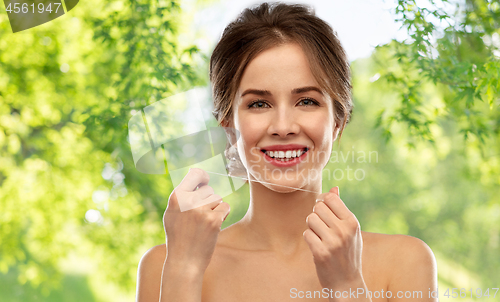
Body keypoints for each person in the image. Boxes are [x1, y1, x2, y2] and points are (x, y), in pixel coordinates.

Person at [136, 2, 438, 301]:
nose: (283, 126)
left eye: (306, 101)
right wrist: (184, 269)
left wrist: (347, 286)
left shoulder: (406, 262)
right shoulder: (163, 266)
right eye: (258, 103)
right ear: (228, 127)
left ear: (338, 122)